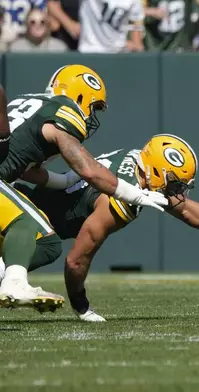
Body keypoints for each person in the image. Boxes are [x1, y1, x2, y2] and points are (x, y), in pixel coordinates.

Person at [13, 134, 199, 322]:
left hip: (23, 204)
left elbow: (184, 208)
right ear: (157, 172)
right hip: (25, 224)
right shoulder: (121, 200)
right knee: (46, 251)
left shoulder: (137, 163)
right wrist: (81, 306)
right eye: (175, 184)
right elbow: (76, 261)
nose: (178, 192)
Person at [0, 65, 168, 312]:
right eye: (94, 106)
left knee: (42, 243)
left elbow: (23, 167)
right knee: (36, 231)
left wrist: (64, 180)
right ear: (80, 96)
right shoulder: (63, 110)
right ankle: (13, 283)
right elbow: (88, 169)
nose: (92, 115)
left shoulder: (27, 101)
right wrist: (132, 193)